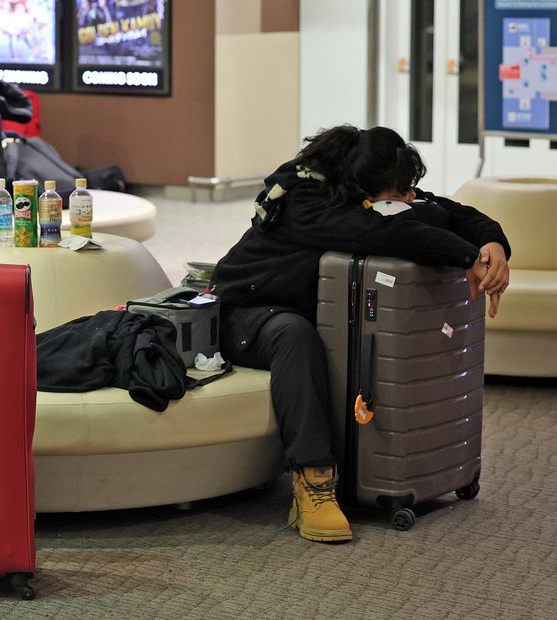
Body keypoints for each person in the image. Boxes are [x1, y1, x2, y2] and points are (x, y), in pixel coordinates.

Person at [210, 125, 510, 544]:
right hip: (242, 314)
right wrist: (464, 255)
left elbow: (443, 210)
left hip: (294, 308)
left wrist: (492, 242)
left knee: (304, 330)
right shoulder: (307, 201)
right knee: (294, 335)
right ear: (365, 189)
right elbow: (386, 231)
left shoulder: (360, 195)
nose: (409, 198)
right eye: (400, 191)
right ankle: (312, 482)